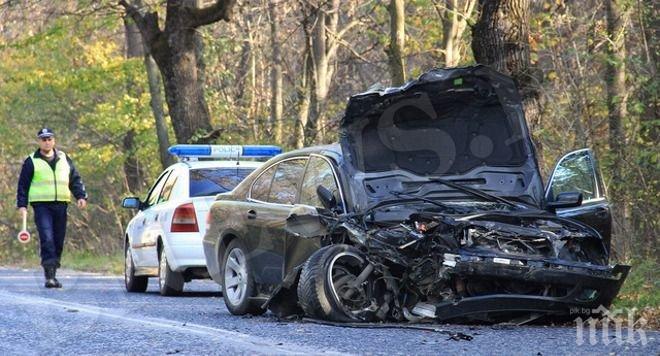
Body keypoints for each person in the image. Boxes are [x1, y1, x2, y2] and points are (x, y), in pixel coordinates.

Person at [16, 128, 88, 288]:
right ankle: (49, 276)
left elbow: (74, 179)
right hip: (41, 206)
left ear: (54, 141)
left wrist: (81, 196)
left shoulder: (64, 158)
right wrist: (22, 205)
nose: (47, 142)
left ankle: (53, 274)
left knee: (58, 240)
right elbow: (23, 185)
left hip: (61, 204)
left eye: (49, 139)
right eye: (43, 139)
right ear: (39, 142)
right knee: (47, 238)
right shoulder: (31, 161)